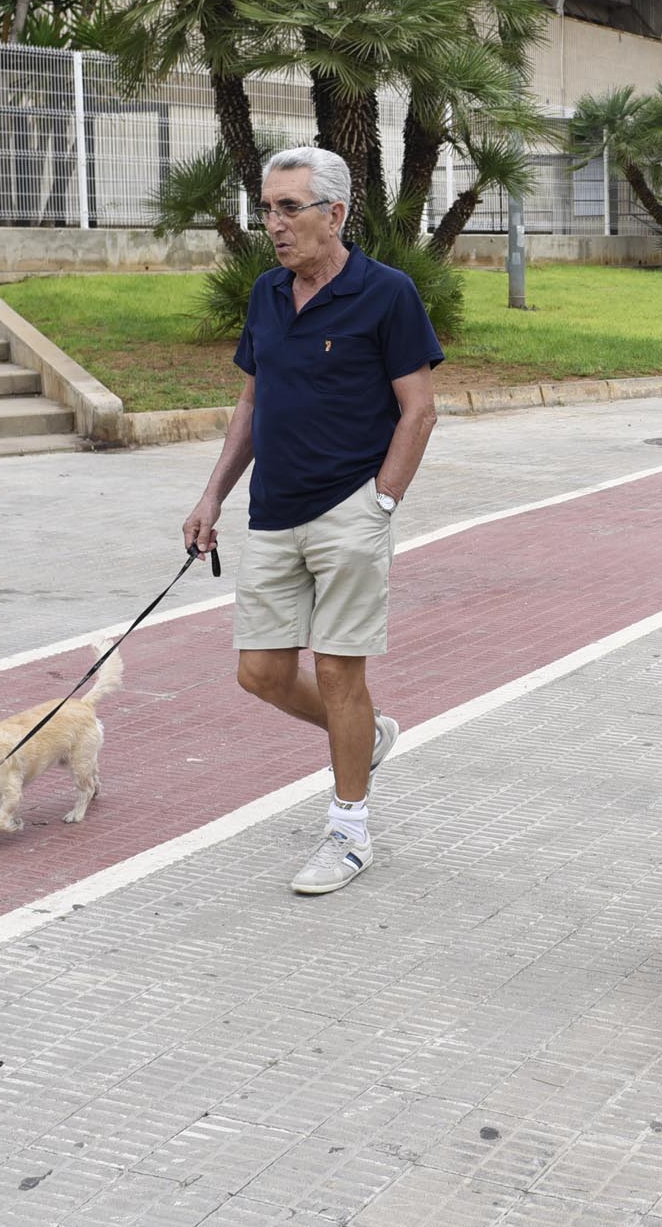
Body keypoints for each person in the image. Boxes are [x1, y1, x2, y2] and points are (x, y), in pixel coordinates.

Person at [184, 147, 442, 896]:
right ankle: (370, 734)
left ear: (334, 214)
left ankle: (349, 831)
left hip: (347, 513)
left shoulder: (387, 293)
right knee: (259, 674)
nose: (273, 224)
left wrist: (381, 503)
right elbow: (251, 406)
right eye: (266, 208)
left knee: (337, 671)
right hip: (272, 514)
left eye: (288, 208)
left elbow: (418, 409)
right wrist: (213, 498)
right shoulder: (267, 294)